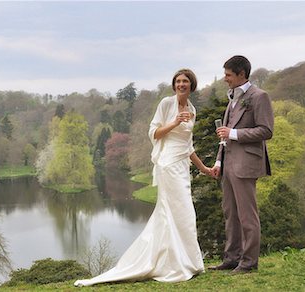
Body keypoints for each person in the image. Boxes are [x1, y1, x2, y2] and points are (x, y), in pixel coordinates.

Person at [74, 68, 210, 287]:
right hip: (167, 164)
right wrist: (174, 122)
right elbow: (153, 134)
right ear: (174, 84)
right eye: (178, 81)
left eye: (185, 81)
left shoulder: (192, 109)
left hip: (182, 166)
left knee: (183, 214)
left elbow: (188, 145)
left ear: (192, 85)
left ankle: (187, 262)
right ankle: (175, 265)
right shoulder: (166, 104)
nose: (181, 84)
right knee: (176, 211)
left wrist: (203, 168)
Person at [209, 55, 274, 274]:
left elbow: (266, 131)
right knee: (230, 213)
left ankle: (248, 263)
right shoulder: (232, 99)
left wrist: (234, 133)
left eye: (228, 75)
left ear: (241, 75)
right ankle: (231, 258)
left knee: (247, 216)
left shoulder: (259, 96)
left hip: (246, 164)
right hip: (228, 165)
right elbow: (224, 135)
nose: (225, 79)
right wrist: (219, 160)